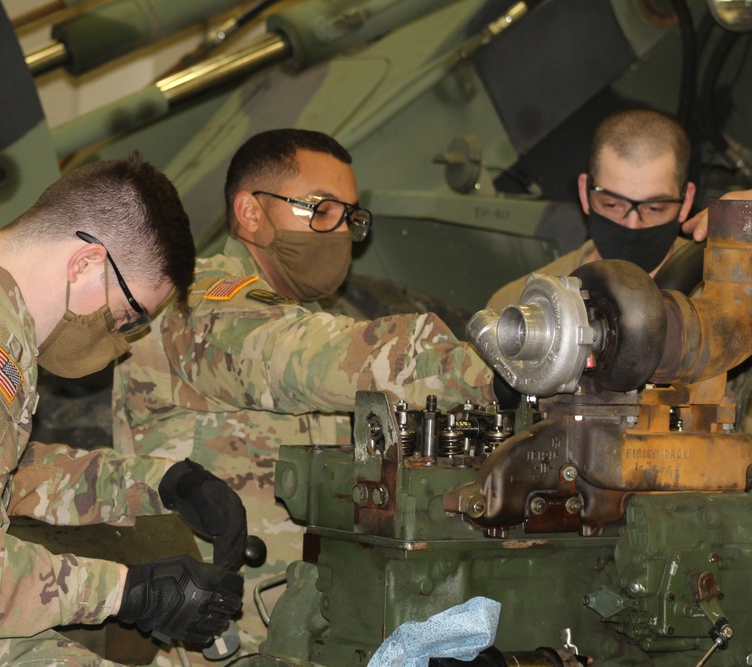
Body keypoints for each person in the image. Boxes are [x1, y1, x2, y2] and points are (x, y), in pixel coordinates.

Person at [112, 129, 497, 654]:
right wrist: (486, 368)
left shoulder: (310, 321)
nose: (338, 230)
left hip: (301, 633)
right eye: (320, 209)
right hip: (204, 639)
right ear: (251, 213)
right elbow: (290, 359)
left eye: (349, 216)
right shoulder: (197, 301)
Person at [0, 153, 248, 666]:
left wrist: (156, 485)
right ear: (87, 263)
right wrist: (129, 592)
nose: (121, 338)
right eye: (128, 314)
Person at [487, 108, 752, 469]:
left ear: (687, 201)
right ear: (585, 192)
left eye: (655, 207)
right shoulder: (524, 303)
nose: (632, 222)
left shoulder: (726, 292)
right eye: (611, 204)